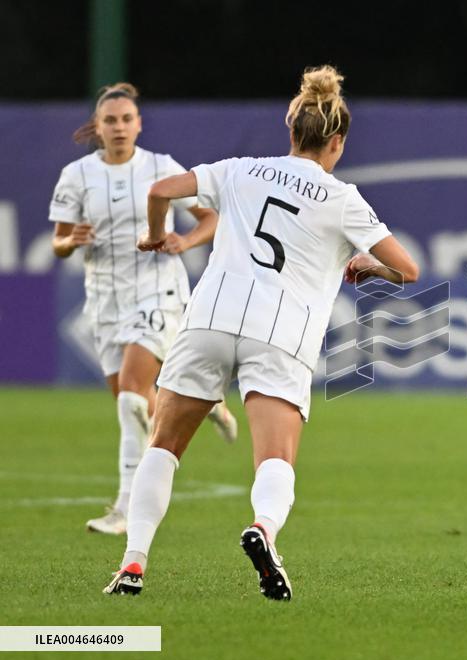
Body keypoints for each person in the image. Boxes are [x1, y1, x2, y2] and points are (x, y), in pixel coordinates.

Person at [102, 66, 419, 600]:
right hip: (280, 333)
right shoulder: (343, 198)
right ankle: (263, 530)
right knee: (276, 457)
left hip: (209, 319)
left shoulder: (240, 170)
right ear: (337, 142)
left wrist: (156, 235)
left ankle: (133, 563)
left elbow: (160, 190)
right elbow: (408, 269)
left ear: (290, 128)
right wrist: (370, 265)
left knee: (164, 446)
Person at [50, 82, 238, 536]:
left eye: (126, 119)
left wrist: (185, 241)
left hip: (157, 291)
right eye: (110, 120)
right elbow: (58, 242)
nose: (118, 127)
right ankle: (207, 404)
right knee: (132, 406)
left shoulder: (161, 167)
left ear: (138, 124)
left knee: (133, 397)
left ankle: (124, 509)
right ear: (97, 127)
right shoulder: (76, 175)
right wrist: (70, 241)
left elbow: (211, 218)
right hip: (104, 301)